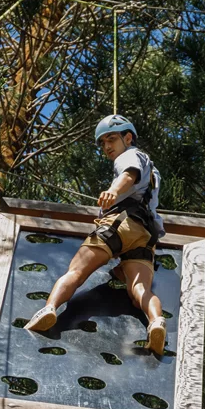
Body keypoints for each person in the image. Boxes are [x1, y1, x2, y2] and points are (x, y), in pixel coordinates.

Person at [25, 114, 167, 355]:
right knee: (140, 290)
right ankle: (156, 321)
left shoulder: (131, 156)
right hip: (145, 236)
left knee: (76, 271)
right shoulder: (154, 172)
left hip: (120, 224)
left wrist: (112, 192)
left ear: (128, 137)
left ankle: (49, 308)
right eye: (102, 143)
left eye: (111, 139)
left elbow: (127, 175)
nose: (107, 147)